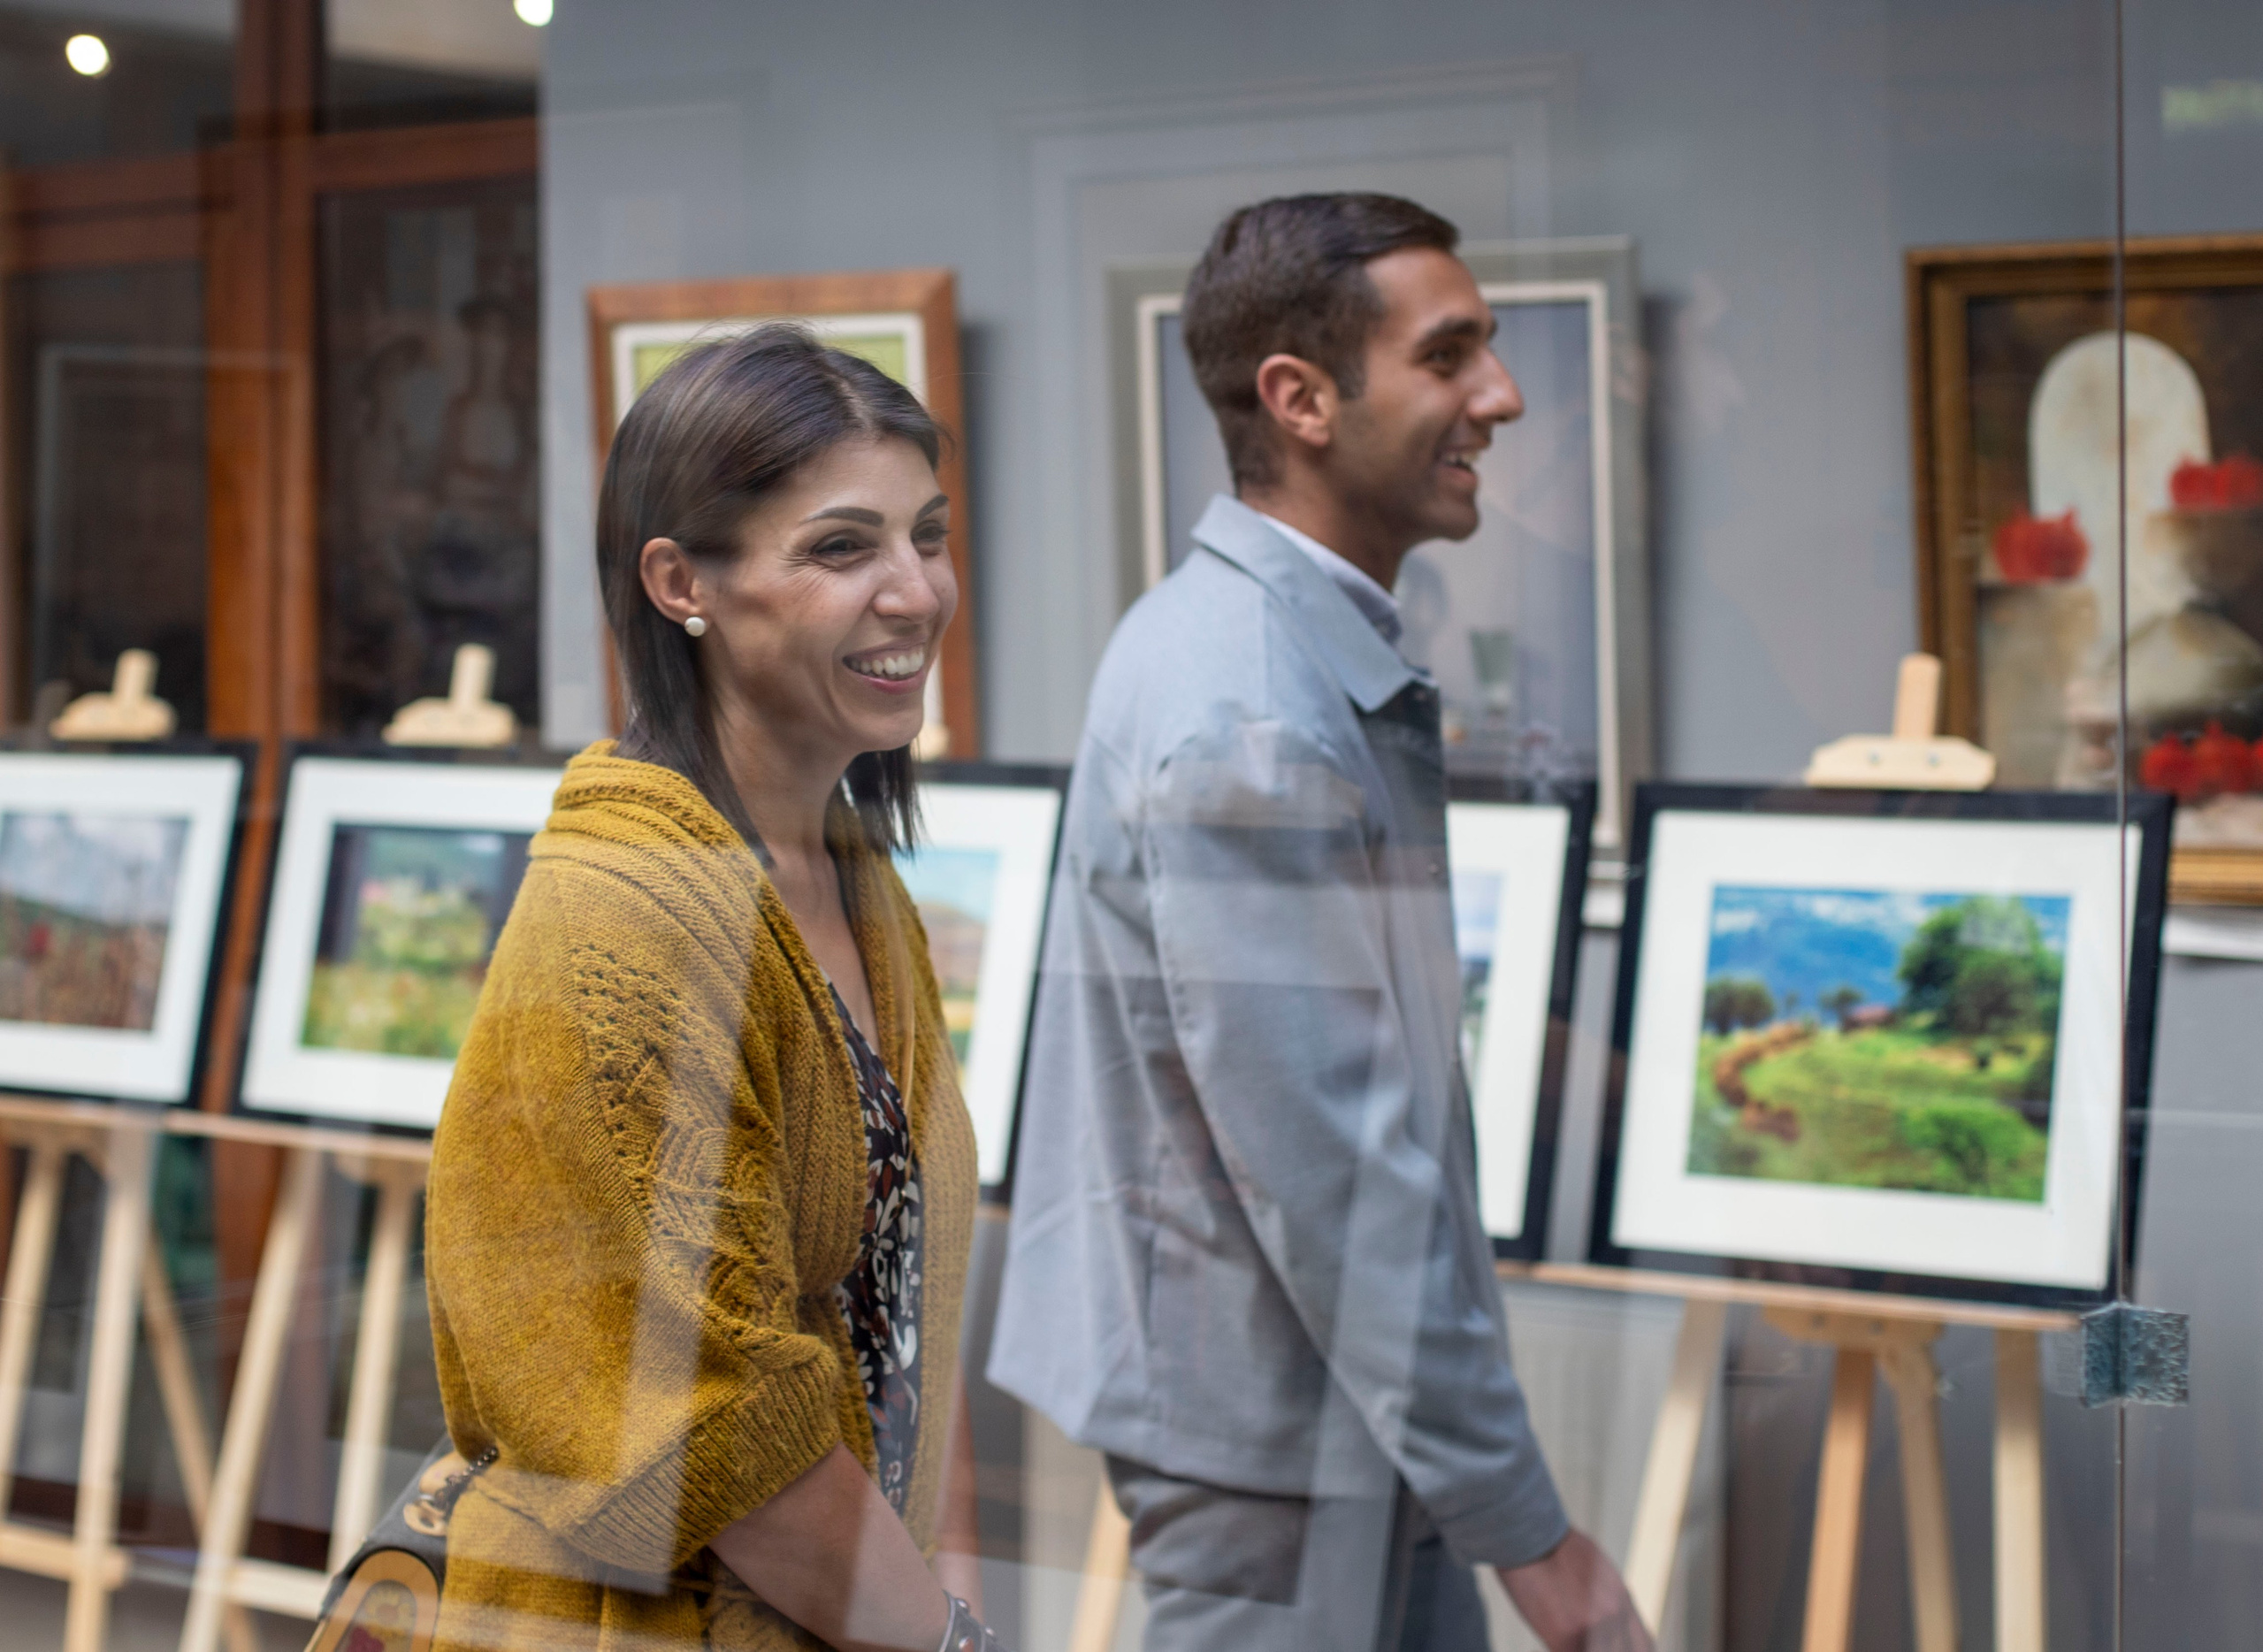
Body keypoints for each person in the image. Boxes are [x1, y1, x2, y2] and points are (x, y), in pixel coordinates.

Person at [989, 195, 1653, 1652]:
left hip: (1309, 1409)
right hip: (1276, 1430)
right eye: (1449, 355)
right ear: (1300, 400)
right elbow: (1330, 1163)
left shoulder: (1244, 648)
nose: (1503, 395)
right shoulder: (1252, 708)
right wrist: (1532, 1535)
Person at [424, 326, 1007, 1652]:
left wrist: (950, 1613)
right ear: (681, 581)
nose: (916, 591)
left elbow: (911, 1306)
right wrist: (950, 1641)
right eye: (841, 548)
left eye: (927, 536)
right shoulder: (621, 922)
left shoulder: (854, 881)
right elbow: (720, 1429)